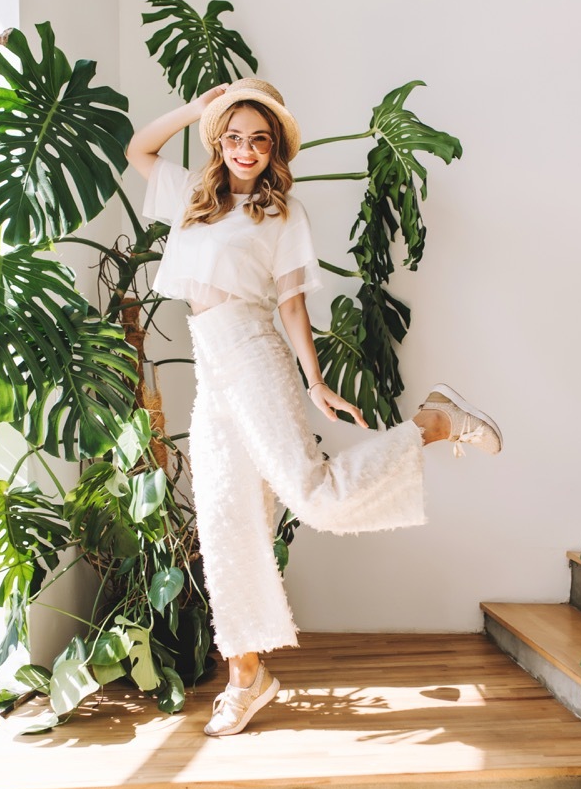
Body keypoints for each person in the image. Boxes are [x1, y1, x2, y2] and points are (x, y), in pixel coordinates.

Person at [125, 79, 502, 737]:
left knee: (314, 495)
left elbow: (293, 304)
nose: (245, 150)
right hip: (212, 363)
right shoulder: (193, 195)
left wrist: (317, 381)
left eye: (259, 140)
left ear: (274, 150)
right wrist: (200, 106)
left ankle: (432, 422)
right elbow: (137, 149)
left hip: (253, 352)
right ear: (220, 141)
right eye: (234, 137)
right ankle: (248, 677)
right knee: (222, 524)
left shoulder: (281, 213)